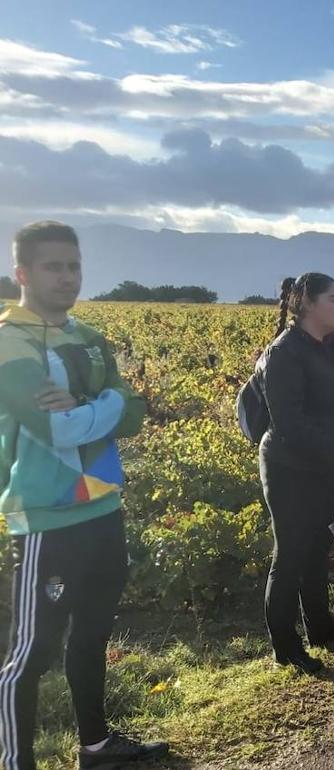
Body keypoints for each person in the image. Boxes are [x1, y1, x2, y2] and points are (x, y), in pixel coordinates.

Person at [0, 222, 168, 769]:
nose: (67, 277)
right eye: (53, 266)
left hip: (103, 505)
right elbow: (55, 432)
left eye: (74, 265)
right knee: (31, 653)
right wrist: (106, 407)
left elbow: (137, 411)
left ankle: (95, 745)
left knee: (92, 633)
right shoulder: (9, 340)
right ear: (22, 273)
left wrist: (89, 406)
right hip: (46, 517)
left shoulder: (90, 338)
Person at [258, 273, 334, 674]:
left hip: (329, 466)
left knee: (316, 551)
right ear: (307, 303)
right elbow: (289, 422)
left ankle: (322, 630)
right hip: (291, 468)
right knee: (290, 555)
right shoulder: (285, 353)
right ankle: (285, 648)